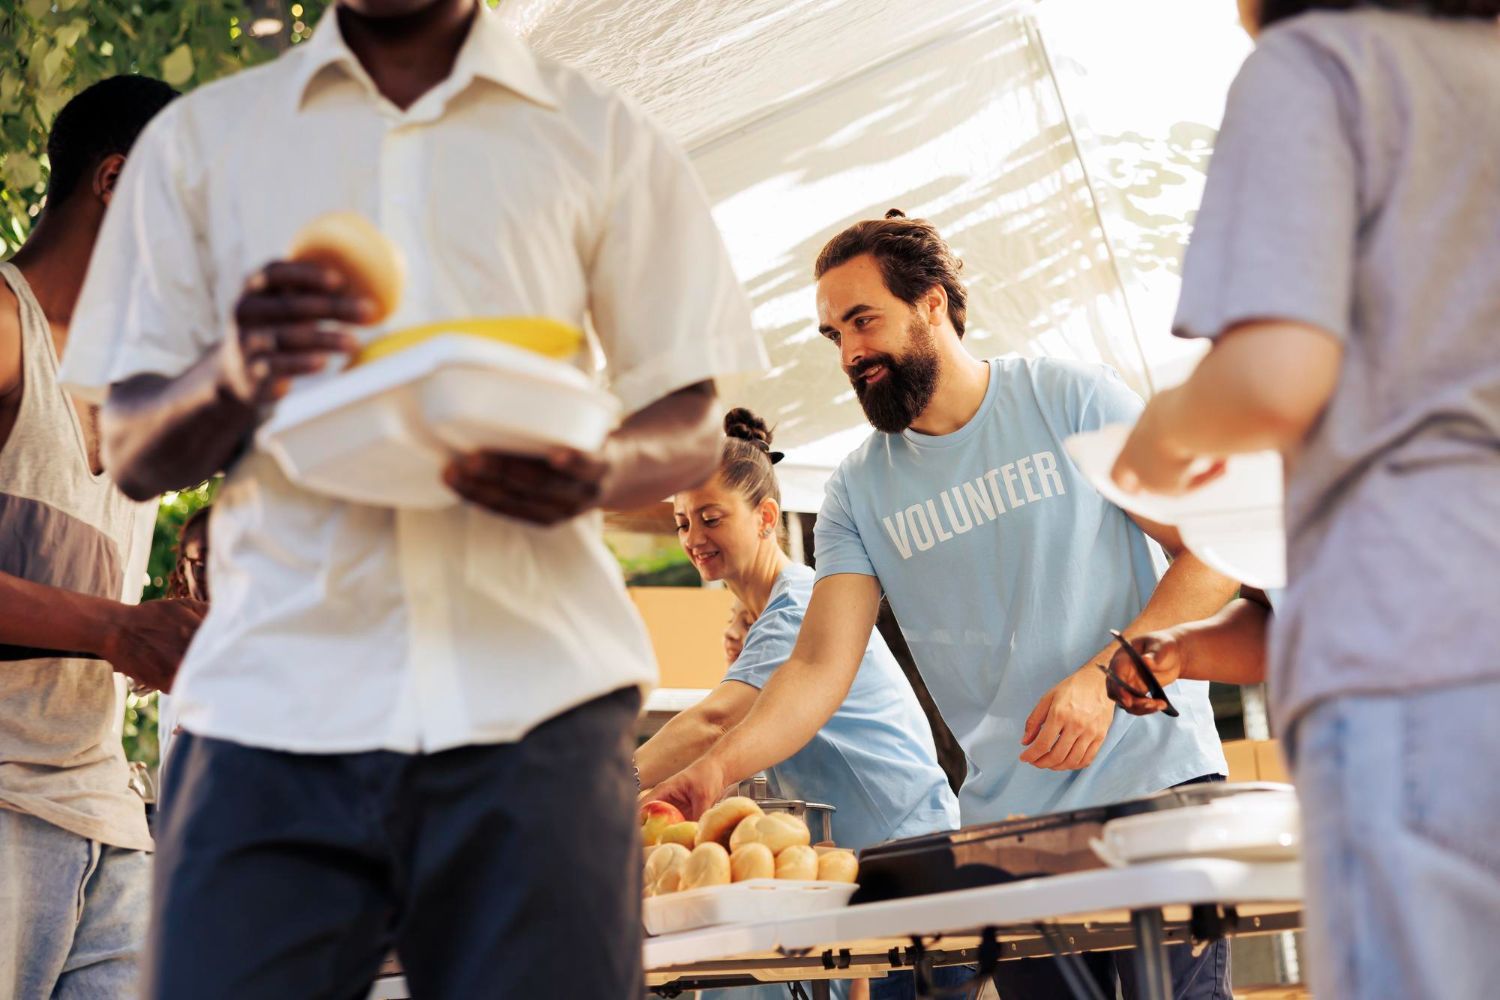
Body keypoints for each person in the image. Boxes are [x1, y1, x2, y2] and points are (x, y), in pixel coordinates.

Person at [57, 1, 765, 996]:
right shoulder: (206, 147)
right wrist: (236, 372)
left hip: (535, 697)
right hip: (274, 704)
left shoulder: (600, 134)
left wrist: (596, 469)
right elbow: (128, 444)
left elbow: (691, 414)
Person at [652, 211, 1240, 999]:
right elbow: (821, 665)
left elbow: (1210, 552)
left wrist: (1108, 672)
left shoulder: (1068, 400)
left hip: (1156, 791)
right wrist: (711, 770)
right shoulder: (857, 490)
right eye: (834, 336)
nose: (852, 352)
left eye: (864, 320)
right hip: (1011, 838)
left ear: (932, 303)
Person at [1109, 1, 1500, 996]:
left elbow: (1275, 376)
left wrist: (1165, 431)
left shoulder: (1318, 64)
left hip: (1412, 657)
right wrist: (1194, 648)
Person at [635, 407, 961, 1000]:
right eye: (682, 522)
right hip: (848, 884)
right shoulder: (761, 620)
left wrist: (607, 788)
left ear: (764, 517)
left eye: (710, 518)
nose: (692, 538)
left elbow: (714, 721)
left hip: (909, 870)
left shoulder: (803, 604)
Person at [0, 75, 197, 1000]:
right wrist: (118, 629)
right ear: (115, 180)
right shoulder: (6, 328)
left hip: (104, 810)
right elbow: (107, 621)